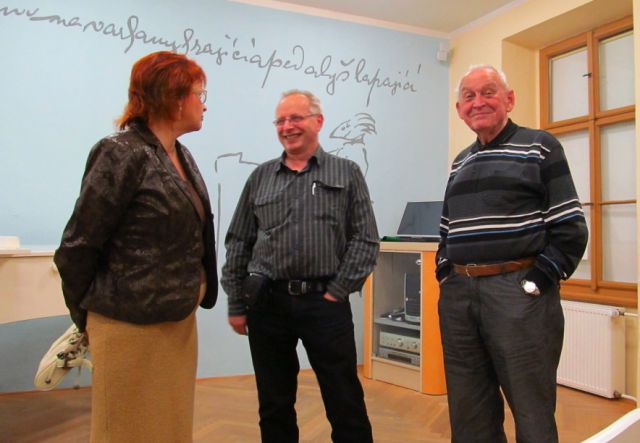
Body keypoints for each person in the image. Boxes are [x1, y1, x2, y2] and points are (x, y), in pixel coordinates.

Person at [54, 51, 218, 442]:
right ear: (174, 97)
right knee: (126, 429)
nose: (204, 104)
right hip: (128, 326)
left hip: (177, 323)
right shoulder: (120, 152)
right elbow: (78, 245)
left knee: (169, 426)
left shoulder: (180, 154)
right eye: (199, 94)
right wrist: (88, 316)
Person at [436, 64, 588, 443]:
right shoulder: (460, 161)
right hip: (459, 297)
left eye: (488, 92)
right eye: (468, 96)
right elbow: (447, 229)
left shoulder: (540, 146)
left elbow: (570, 228)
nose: (478, 102)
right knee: (468, 413)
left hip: (517, 293)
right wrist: (445, 273)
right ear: (459, 110)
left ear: (509, 99)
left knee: (531, 410)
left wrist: (536, 282)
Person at [221, 90, 379, 443]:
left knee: (345, 400)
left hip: (326, 303)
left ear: (318, 121)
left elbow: (365, 238)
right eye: (280, 120)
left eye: (296, 118)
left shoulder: (347, 172)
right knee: (274, 403)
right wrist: (236, 302)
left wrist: (338, 291)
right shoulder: (260, 177)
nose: (287, 126)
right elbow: (239, 241)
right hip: (267, 305)